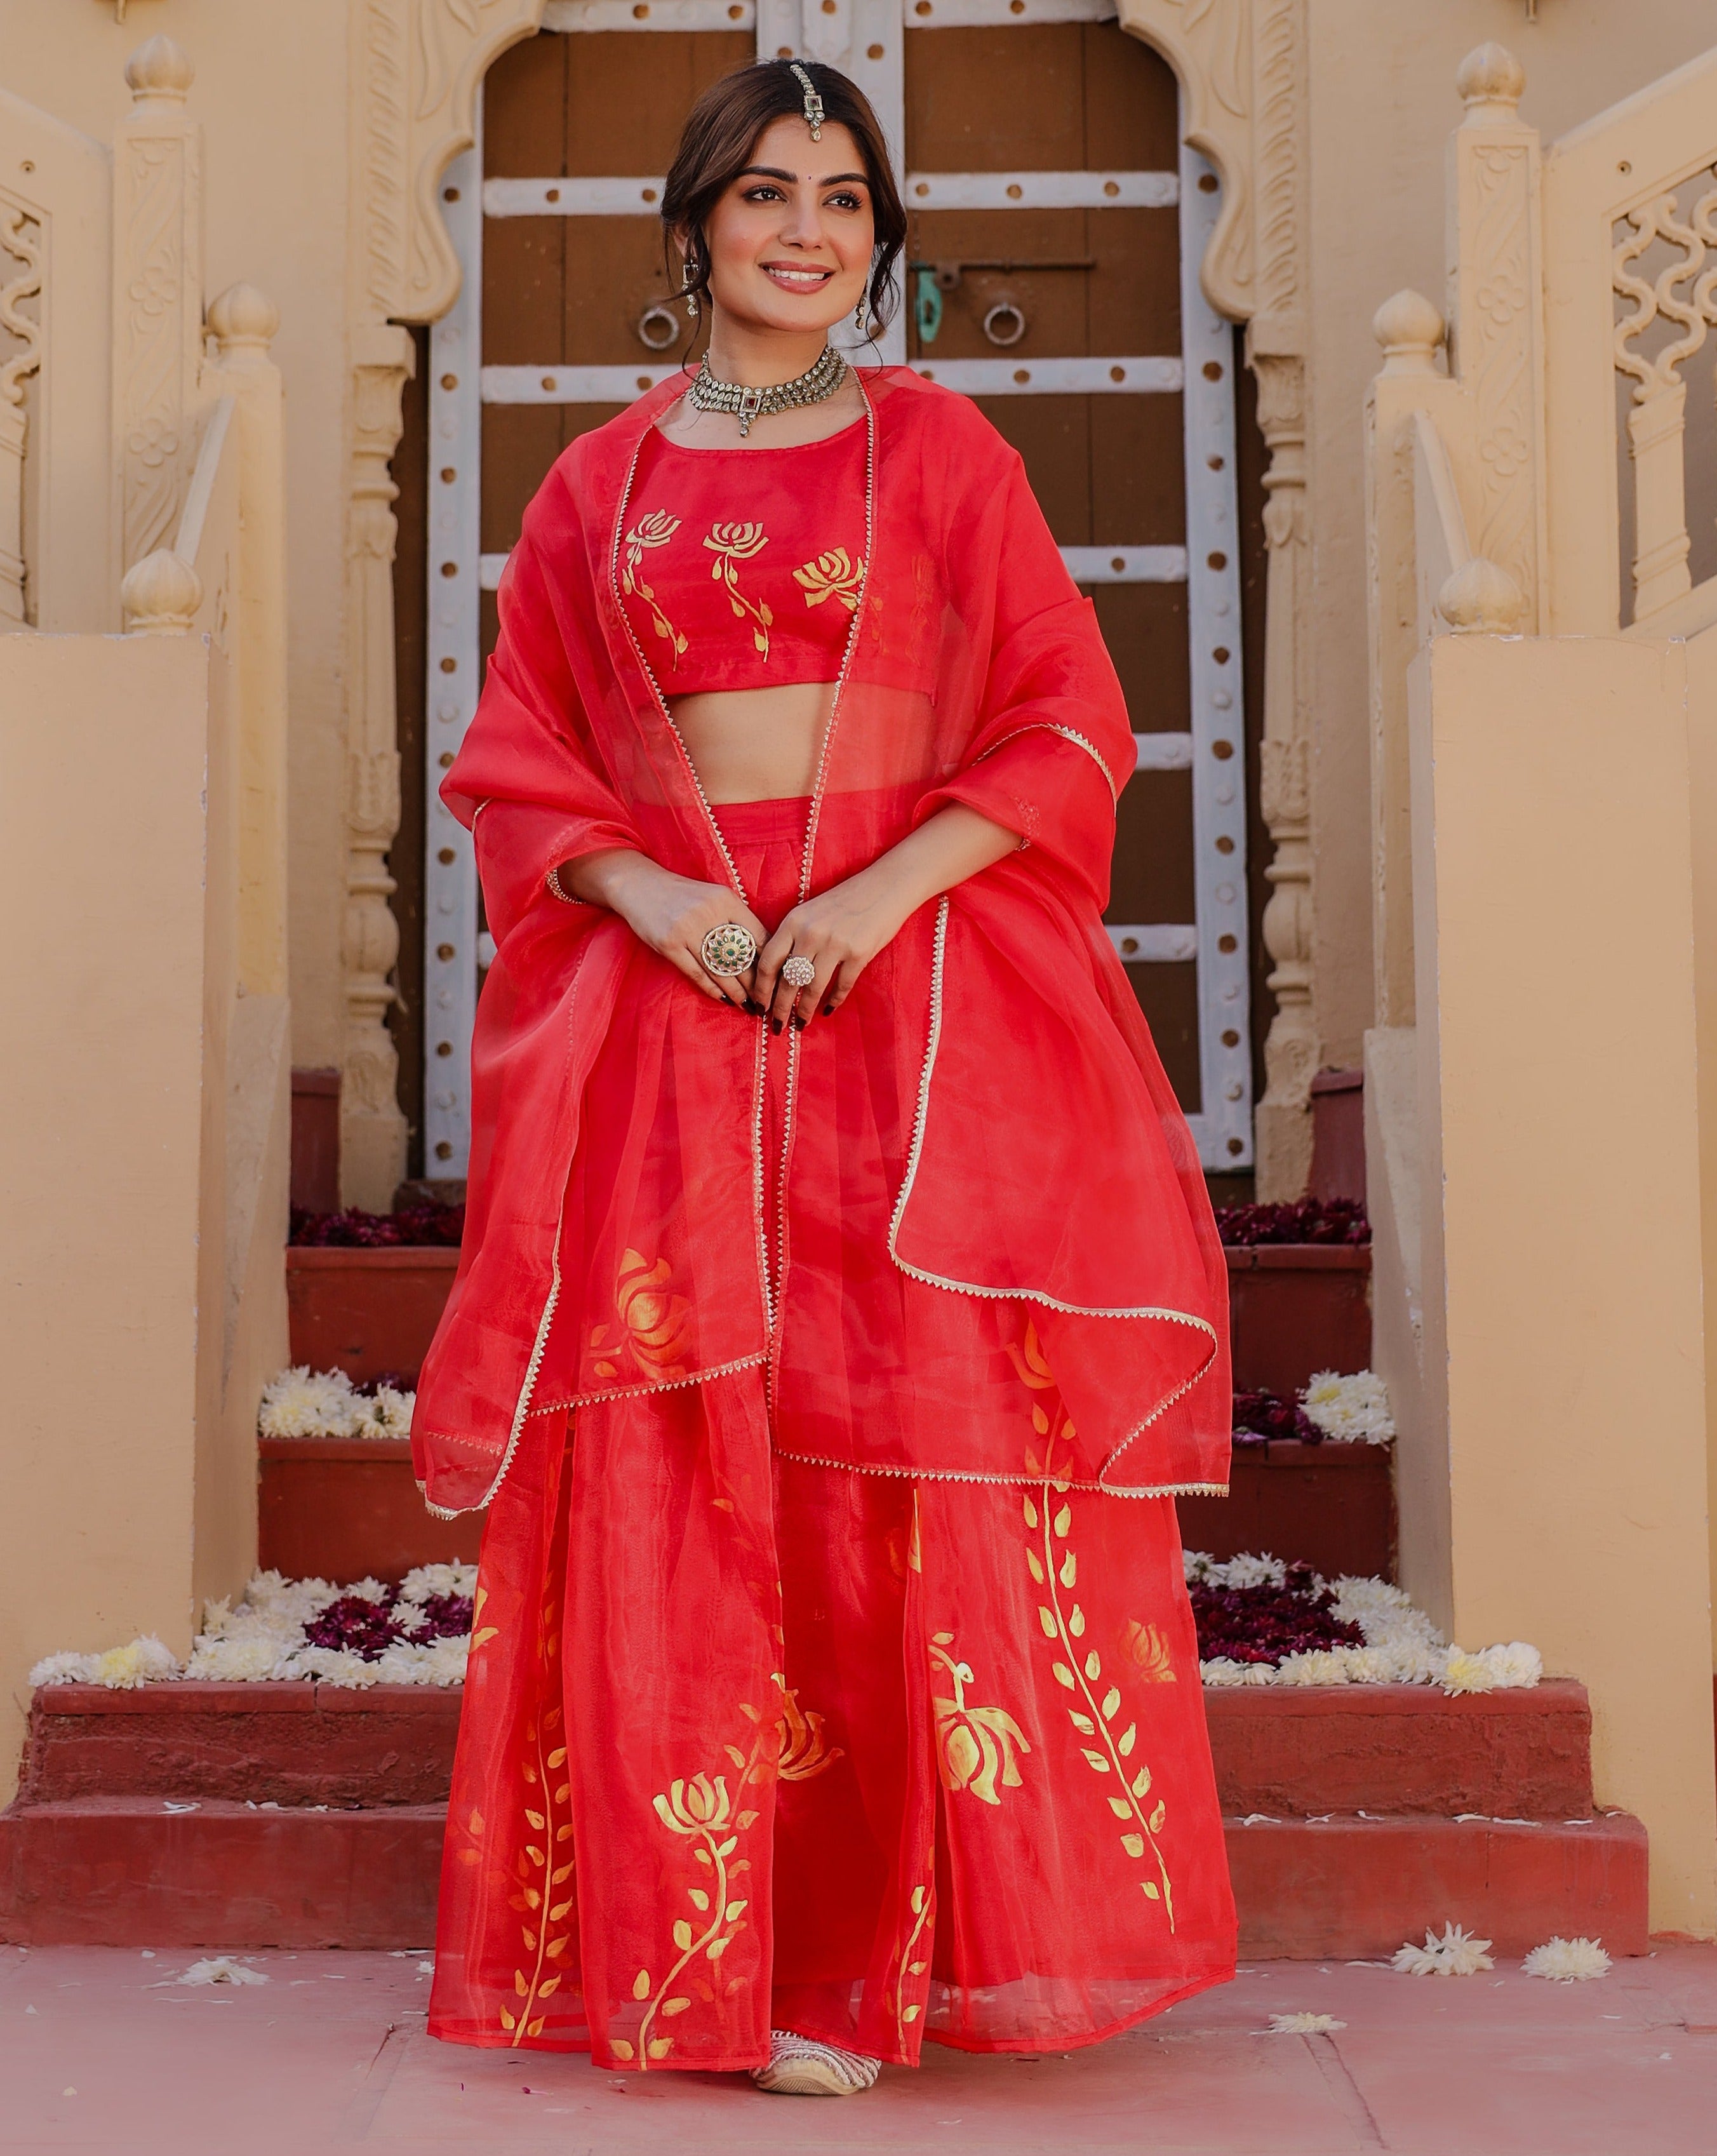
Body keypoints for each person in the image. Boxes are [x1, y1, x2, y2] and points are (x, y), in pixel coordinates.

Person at [417, 54, 1236, 2096]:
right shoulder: (595, 483)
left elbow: (1063, 718)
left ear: (880, 241)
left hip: (904, 994)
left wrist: (870, 903)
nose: (808, 231)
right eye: (769, 192)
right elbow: (522, 758)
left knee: (904, 1473)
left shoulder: (942, 451)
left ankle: (881, 1959)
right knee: (696, 1467)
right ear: (695, 222)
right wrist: (659, 905)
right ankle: (717, 1963)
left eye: (847, 202)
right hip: (679, 1003)